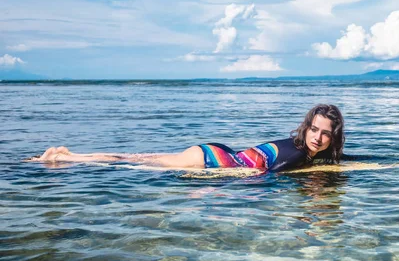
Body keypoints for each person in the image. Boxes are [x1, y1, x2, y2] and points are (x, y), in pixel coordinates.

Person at [31, 104, 345, 173]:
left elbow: (343, 162)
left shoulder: (308, 152)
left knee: (137, 158)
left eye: (325, 134)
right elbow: (265, 174)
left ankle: (69, 155)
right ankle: (67, 158)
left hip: (217, 152)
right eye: (314, 129)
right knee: (132, 162)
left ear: (333, 139)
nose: (318, 137)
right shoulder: (299, 155)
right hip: (213, 159)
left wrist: (391, 163)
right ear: (305, 128)